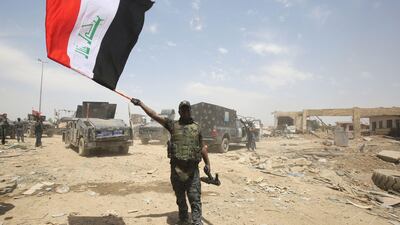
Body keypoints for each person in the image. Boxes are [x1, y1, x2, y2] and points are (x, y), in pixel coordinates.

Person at [131, 98, 210, 225]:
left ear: (190, 111)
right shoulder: (172, 125)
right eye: (182, 109)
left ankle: (196, 221)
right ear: (179, 111)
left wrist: (208, 164)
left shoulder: (197, 128)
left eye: (187, 109)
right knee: (180, 198)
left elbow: (202, 148)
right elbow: (154, 115)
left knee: (194, 198)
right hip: (177, 169)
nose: (185, 111)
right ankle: (183, 220)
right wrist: (140, 104)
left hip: (192, 170)